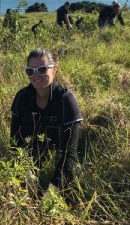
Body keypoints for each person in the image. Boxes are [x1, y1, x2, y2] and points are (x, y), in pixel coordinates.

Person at [10, 48, 82, 194]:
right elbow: (15, 144)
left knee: (73, 179)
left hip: (60, 159)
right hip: (32, 159)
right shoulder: (21, 98)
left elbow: (70, 154)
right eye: (30, 71)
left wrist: (51, 194)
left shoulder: (65, 100)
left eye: (42, 69)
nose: (36, 76)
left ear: (54, 70)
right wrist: (28, 183)